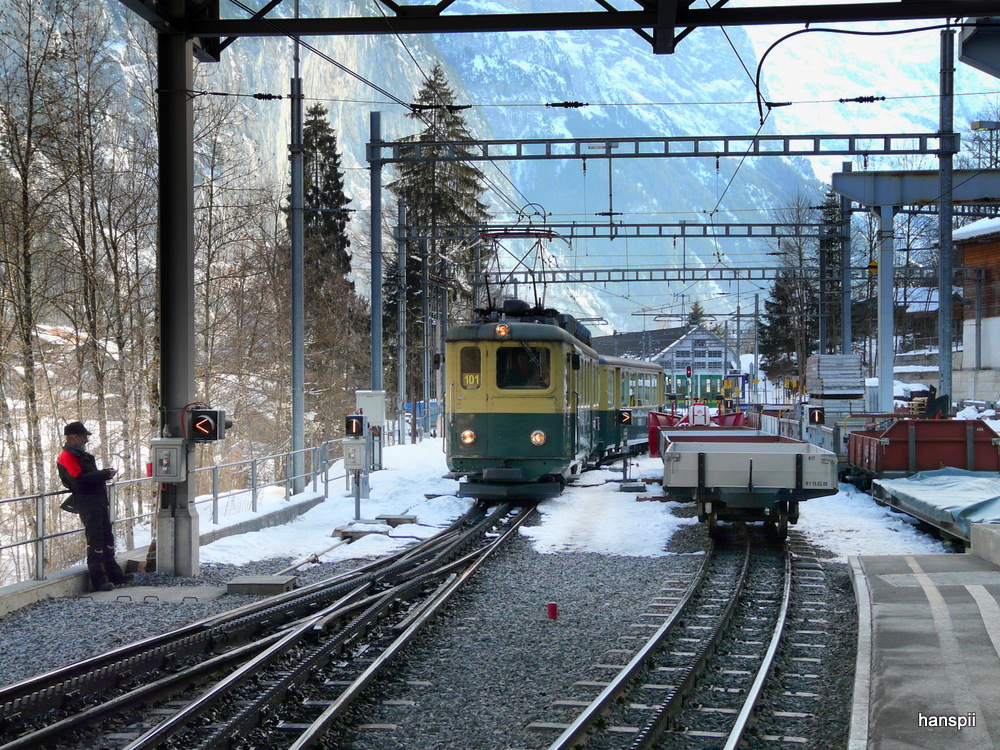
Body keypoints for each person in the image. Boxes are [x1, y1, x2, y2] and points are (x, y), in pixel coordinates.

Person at [57, 422, 133, 592]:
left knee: (107, 539)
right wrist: (104, 474)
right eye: (84, 436)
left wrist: (102, 474)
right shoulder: (67, 457)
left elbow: (86, 477)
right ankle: (99, 580)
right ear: (75, 437)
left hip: (97, 501)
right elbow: (78, 480)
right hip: (88, 503)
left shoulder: (79, 455)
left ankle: (114, 576)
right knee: (95, 542)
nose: (87, 439)